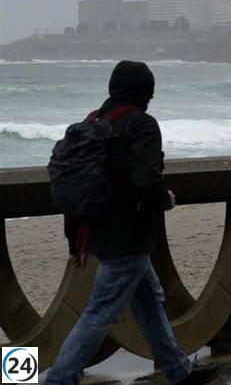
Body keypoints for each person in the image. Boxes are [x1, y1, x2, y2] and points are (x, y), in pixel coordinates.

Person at [46, 60, 218, 385]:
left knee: (149, 301)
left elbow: (78, 185)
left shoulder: (93, 122)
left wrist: (76, 241)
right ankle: (58, 379)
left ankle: (178, 371)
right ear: (145, 93)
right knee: (100, 312)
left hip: (98, 231)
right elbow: (145, 179)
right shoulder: (141, 125)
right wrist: (165, 199)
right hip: (128, 235)